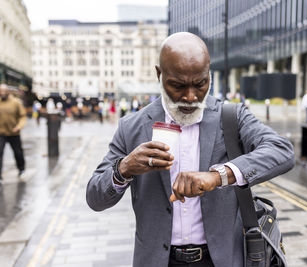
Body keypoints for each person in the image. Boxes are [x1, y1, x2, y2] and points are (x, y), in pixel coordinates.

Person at [86, 32, 295, 267]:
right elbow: (95, 198)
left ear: (209, 74)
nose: (190, 96)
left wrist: (218, 176)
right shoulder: (131, 127)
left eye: (200, 84)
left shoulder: (232, 118)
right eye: (177, 85)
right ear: (159, 74)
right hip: (158, 261)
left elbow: (282, 150)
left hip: (221, 259)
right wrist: (123, 169)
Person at [0, 84, 27, 181]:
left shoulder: (15, 102)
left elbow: (23, 116)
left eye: (4, 91)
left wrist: (19, 126)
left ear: (8, 92)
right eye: (0, 91)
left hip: (14, 133)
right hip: (1, 133)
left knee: (18, 153)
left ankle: (22, 169)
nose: (2, 93)